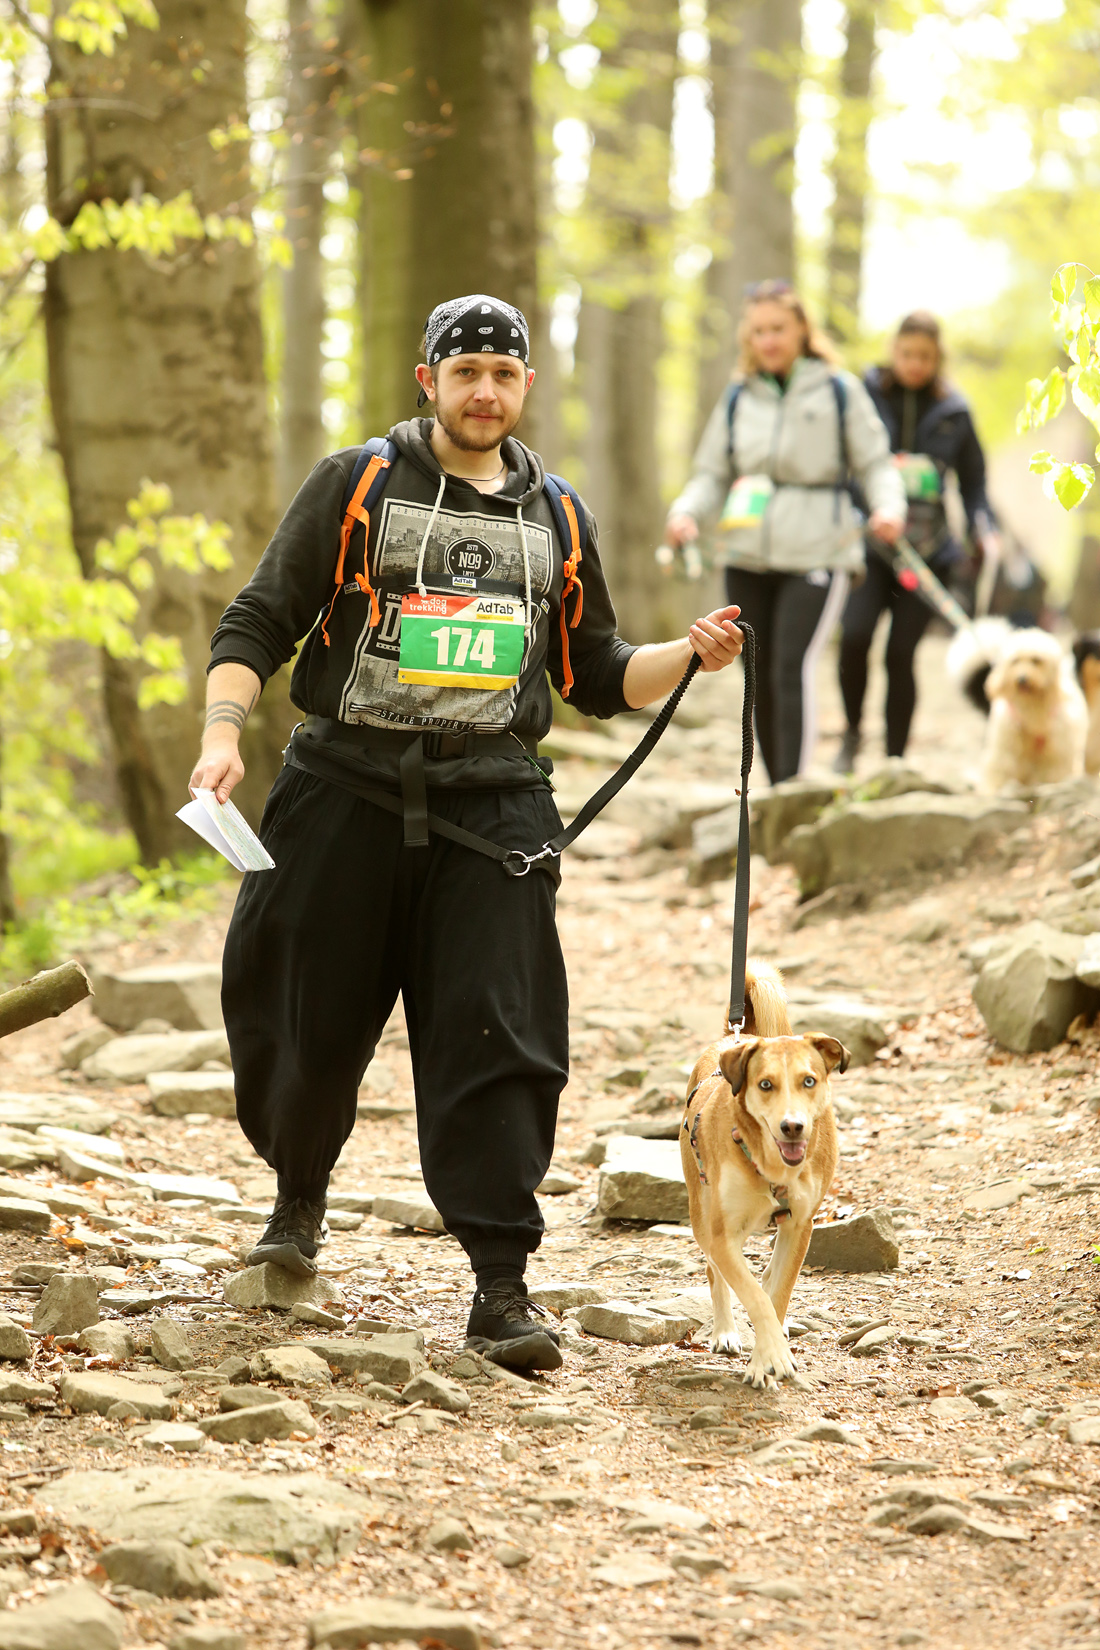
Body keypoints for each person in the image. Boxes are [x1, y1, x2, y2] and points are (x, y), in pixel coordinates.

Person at [188, 294, 743, 1373]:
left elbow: (595, 674)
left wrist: (688, 653)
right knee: (297, 1015)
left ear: (525, 385)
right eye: (465, 372)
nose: (484, 391)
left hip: (492, 813)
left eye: (502, 373)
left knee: (500, 1036)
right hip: (339, 792)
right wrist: (222, 735)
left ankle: (500, 1284)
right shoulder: (355, 483)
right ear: (428, 381)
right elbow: (258, 619)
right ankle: (296, 1201)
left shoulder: (559, 515)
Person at [666, 279, 905, 784]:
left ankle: (792, 789)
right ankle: (774, 792)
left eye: (778, 328)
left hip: (819, 549)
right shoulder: (738, 395)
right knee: (756, 671)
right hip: (745, 551)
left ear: (801, 329)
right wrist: (687, 511)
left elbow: (875, 463)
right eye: (758, 331)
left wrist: (888, 506)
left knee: (789, 666)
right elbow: (711, 472)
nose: (768, 340)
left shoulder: (839, 389)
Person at [834, 310, 1000, 771]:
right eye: (907, 354)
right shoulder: (862, 396)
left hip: (927, 554)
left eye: (925, 356)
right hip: (868, 546)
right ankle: (851, 735)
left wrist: (983, 528)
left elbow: (974, 483)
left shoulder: (955, 411)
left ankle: (895, 759)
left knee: (900, 654)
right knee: (855, 638)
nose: (915, 364)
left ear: (937, 358)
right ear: (894, 351)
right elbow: (841, 463)